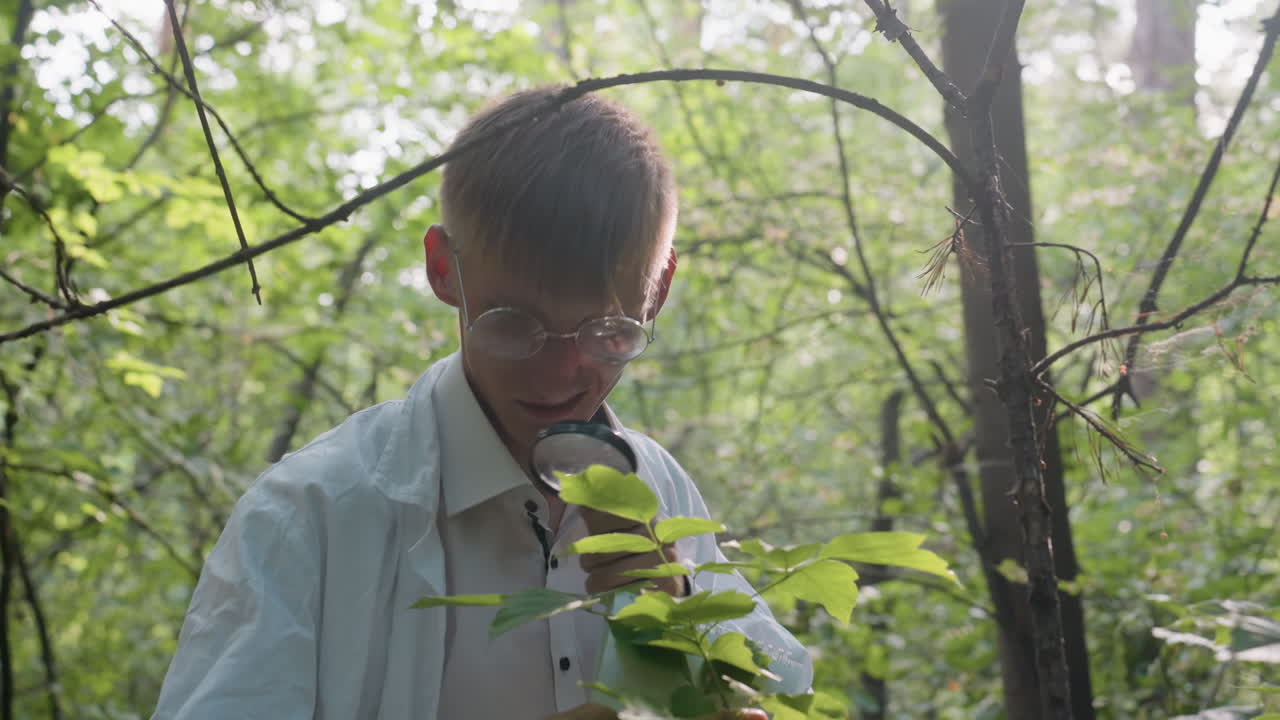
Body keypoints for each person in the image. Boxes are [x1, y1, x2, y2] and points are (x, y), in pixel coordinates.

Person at [151, 86, 812, 720]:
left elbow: (785, 688)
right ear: (444, 270)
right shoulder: (310, 516)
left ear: (658, 290)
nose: (559, 374)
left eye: (608, 333)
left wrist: (688, 635)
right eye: (512, 323)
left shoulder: (663, 490)